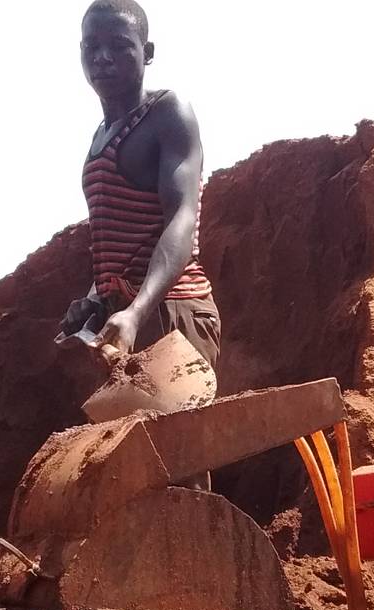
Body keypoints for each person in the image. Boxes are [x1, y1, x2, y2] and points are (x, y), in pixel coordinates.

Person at [59, 0, 220, 369]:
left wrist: (138, 310)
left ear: (146, 53)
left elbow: (182, 216)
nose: (102, 57)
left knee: (175, 427)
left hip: (170, 311)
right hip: (125, 319)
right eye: (91, 47)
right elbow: (120, 242)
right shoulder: (100, 137)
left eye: (118, 45)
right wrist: (95, 298)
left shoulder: (167, 112)